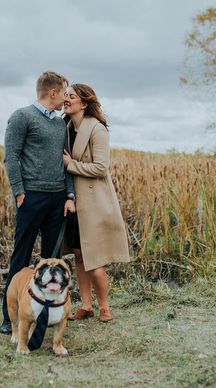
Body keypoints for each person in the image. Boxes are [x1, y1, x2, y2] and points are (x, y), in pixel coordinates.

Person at [0, 71, 76, 334]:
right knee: (21, 258)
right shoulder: (21, 117)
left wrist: (69, 196)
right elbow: (11, 157)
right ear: (52, 93)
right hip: (31, 198)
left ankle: (48, 314)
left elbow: (64, 162)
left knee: (53, 261)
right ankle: (9, 317)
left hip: (57, 201)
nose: (66, 98)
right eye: (64, 93)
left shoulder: (59, 124)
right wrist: (20, 192)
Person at [62, 83, 130, 322]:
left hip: (94, 201)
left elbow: (101, 168)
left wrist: (71, 164)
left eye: (71, 96)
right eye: (65, 96)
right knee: (79, 255)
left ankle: (104, 307)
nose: (66, 99)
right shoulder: (65, 127)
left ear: (84, 103)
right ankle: (86, 306)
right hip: (73, 201)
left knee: (94, 256)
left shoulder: (97, 129)